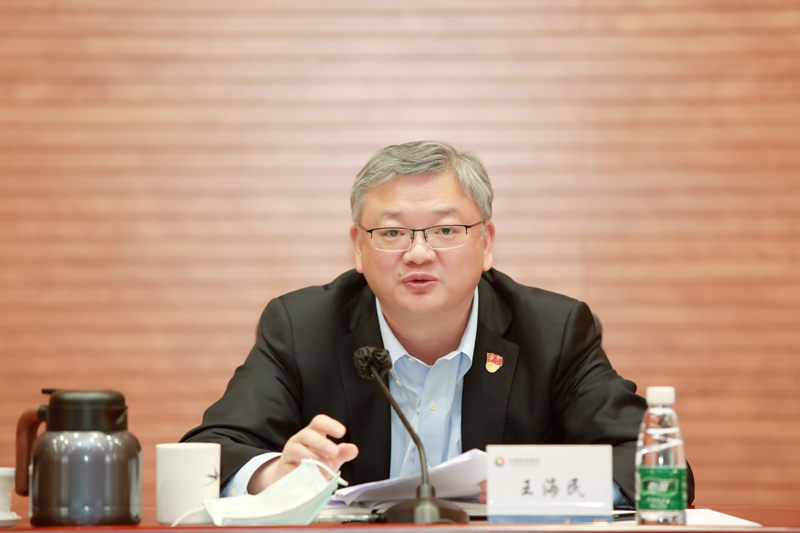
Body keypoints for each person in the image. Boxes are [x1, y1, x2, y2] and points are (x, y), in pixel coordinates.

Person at [182, 140, 695, 506]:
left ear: (486, 243)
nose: (419, 253)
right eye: (392, 233)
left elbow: (654, 465)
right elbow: (209, 453)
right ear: (358, 248)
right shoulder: (302, 326)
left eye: (446, 230)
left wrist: (527, 487)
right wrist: (274, 474)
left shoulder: (553, 329)